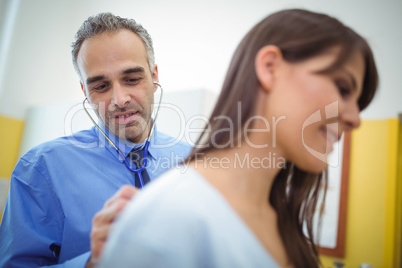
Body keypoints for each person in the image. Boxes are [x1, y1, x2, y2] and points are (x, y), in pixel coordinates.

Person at [98, 8, 378, 268]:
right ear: (270, 68)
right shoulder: (165, 221)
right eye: (342, 88)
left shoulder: (284, 221)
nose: (355, 118)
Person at [0, 13, 191, 267]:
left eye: (132, 79)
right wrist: (92, 262)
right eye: (101, 86)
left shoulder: (195, 163)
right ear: (84, 91)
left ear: (154, 76)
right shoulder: (40, 168)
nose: (119, 99)